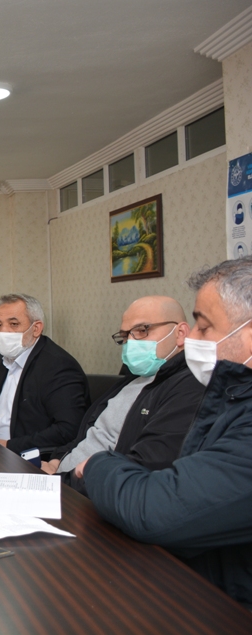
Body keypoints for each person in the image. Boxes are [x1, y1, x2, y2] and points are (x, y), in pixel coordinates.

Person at [79, 258, 252, 609]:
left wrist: (96, 465)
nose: (194, 339)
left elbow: (157, 507)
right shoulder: (231, 398)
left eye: (204, 327)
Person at [42, 296, 203, 489]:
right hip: (60, 477)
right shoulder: (132, 379)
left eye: (142, 330)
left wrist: (60, 481)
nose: (131, 342)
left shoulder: (188, 387)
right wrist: (57, 460)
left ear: (180, 333)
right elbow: (89, 434)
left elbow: (143, 467)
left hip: (87, 492)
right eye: (125, 336)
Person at [0, 293, 89, 455]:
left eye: (13, 324)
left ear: (36, 328)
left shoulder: (58, 366)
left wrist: (9, 445)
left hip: (25, 456)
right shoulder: (6, 359)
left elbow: (68, 429)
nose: (3, 332)